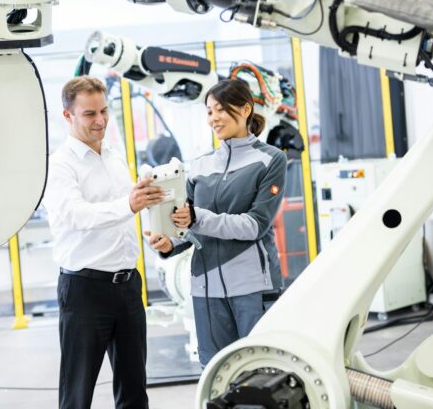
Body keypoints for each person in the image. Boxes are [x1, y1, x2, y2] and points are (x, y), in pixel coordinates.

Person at [42, 75, 164, 409]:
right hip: (85, 289)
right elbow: (76, 215)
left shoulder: (113, 153)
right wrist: (129, 204)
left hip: (127, 285)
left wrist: (151, 217)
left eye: (104, 111)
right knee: (77, 392)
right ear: (68, 116)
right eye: (89, 114)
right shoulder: (59, 165)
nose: (100, 121)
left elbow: (122, 212)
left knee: (134, 388)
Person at [148, 78, 287, 367]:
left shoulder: (270, 159)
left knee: (259, 369)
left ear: (246, 109)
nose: (214, 118)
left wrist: (197, 218)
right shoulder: (198, 166)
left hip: (252, 288)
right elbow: (186, 226)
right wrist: (168, 242)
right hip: (204, 290)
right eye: (209, 111)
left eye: (221, 109)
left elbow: (254, 225)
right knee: (215, 371)